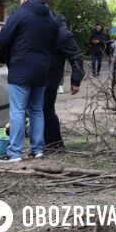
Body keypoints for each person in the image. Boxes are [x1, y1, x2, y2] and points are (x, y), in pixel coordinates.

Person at [0, 0, 58, 162]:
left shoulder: (20, 14)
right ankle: (38, 149)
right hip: (41, 71)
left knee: (18, 111)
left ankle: (14, 152)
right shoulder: (50, 17)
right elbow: (54, 43)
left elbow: (3, 40)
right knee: (37, 110)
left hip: (21, 70)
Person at [42, 12, 85, 153]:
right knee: (45, 110)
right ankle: (53, 144)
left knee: (45, 110)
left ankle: (53, 144)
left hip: (50, 78)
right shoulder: (45, 29)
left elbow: (76, 57)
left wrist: (75, 81)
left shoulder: (63, 35)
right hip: (41, 76)